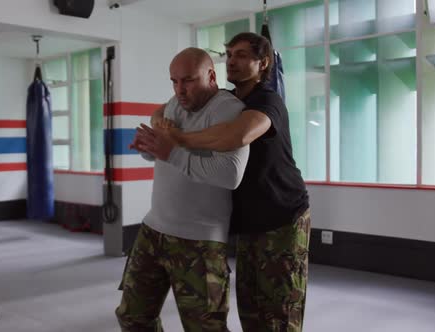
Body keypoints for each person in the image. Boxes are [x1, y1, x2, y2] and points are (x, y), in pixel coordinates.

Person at [137, 32, 311, 332]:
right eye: (229, 54)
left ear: (264, 63)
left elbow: (236, 136)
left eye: (243, 55)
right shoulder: (228, 99)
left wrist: (174, 140)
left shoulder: (266, 99)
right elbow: (161, 112)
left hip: (281, 216)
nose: (233, 61)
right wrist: (159, 122)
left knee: (279, 309)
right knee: (251, 308)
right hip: (248, 221)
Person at [115, 47, 249, 332]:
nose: (180, 90)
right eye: (174, 82)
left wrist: (172, 153)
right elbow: (164, 154)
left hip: (199, 240)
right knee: (132, 317)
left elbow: (230, 174)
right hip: (153, 230)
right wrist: (148, 148)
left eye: (188, 80)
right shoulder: (175, 104)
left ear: (211, 76)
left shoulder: (228, 109)